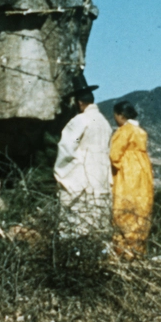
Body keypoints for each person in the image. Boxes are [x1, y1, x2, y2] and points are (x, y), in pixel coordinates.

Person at [53, 81, 113, 237]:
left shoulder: (80, 120)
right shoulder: (104, 122)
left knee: (77, 220)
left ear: (79, 103)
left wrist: (62, 172)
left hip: (83, 175)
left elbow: (66, 148)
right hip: (100, 175)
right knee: (96, 219)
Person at [110, 100, 154, 259]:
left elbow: (114, 155)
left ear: (120, 115)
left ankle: (122, 253)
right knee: (140, 210)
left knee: (123, 210)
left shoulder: (124, 131)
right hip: (143, 174)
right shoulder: (141, 132)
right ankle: (137, 253)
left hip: (127, 173)